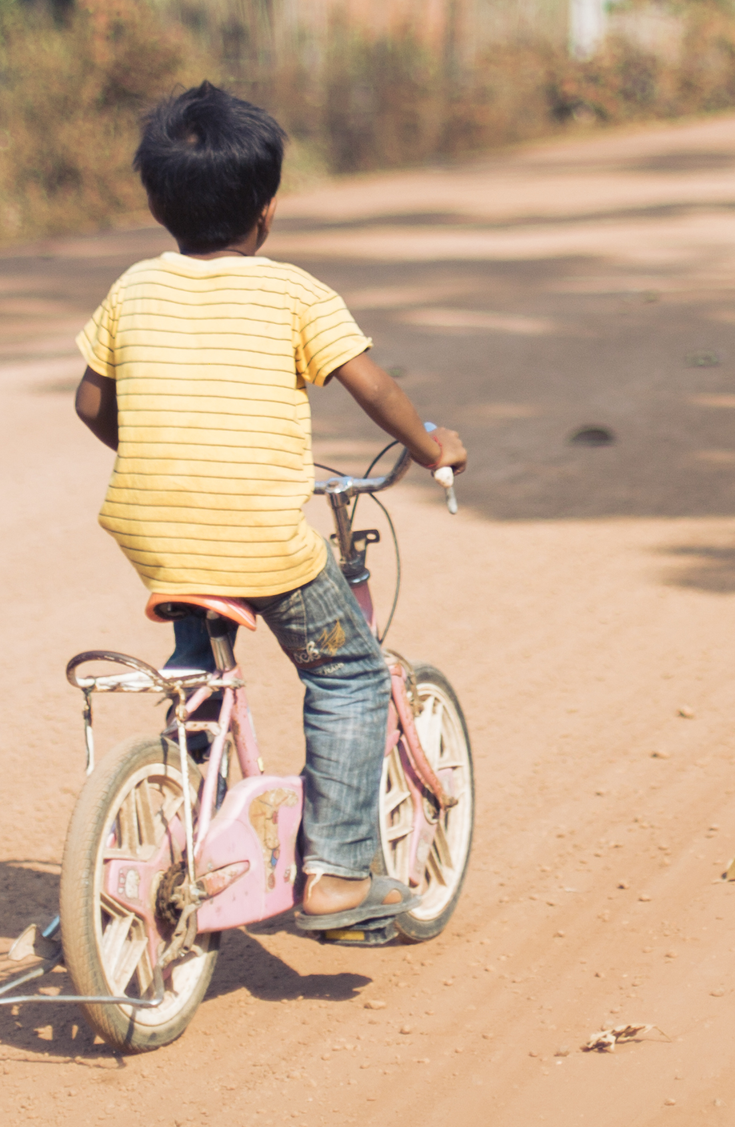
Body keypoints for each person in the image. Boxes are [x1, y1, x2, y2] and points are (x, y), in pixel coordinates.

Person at [72, 82, 469, 934]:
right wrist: (432, 445)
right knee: (348, 672)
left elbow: (91, 405)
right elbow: (375, 389)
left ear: (155, 202)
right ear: (269, 209)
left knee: (204, 671)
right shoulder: (293, 294)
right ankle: (332, 874)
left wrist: (159, 459)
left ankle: (194, 791)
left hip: (155, 530)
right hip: (259, 537)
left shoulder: (132, 290)